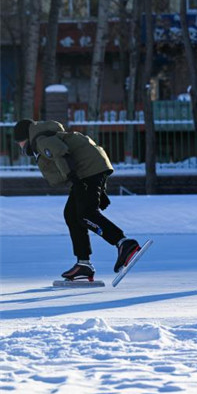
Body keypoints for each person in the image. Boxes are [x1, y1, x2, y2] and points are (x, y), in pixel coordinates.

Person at [13, 119, 142, 282]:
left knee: (85, 215)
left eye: (19, 142)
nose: (19, 146)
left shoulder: (40, 139)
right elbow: (81, 154)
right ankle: (84, 264)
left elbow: (60, 152)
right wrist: (96, 188)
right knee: (71, 214)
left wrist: (74, 179)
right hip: (89, 169)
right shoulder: (46, 135)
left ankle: (123, 243)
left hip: (86, 172)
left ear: (25, 137)